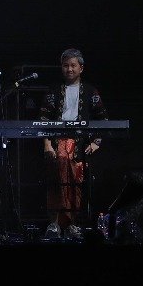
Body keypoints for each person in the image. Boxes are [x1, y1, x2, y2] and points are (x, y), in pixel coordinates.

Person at [39, 47, 107, 241]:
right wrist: (47, 145)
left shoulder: (90, 91)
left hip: (79, 145)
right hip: (56, 143)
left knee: (76, 184)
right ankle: (54, 224)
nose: (69, 69)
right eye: (66, 65)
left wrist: (96, 142)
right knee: (55, 183)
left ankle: (73, 224)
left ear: (81, 68)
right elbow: (43, 118)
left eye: (73, 65)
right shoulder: (54, 90)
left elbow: (103, 118)